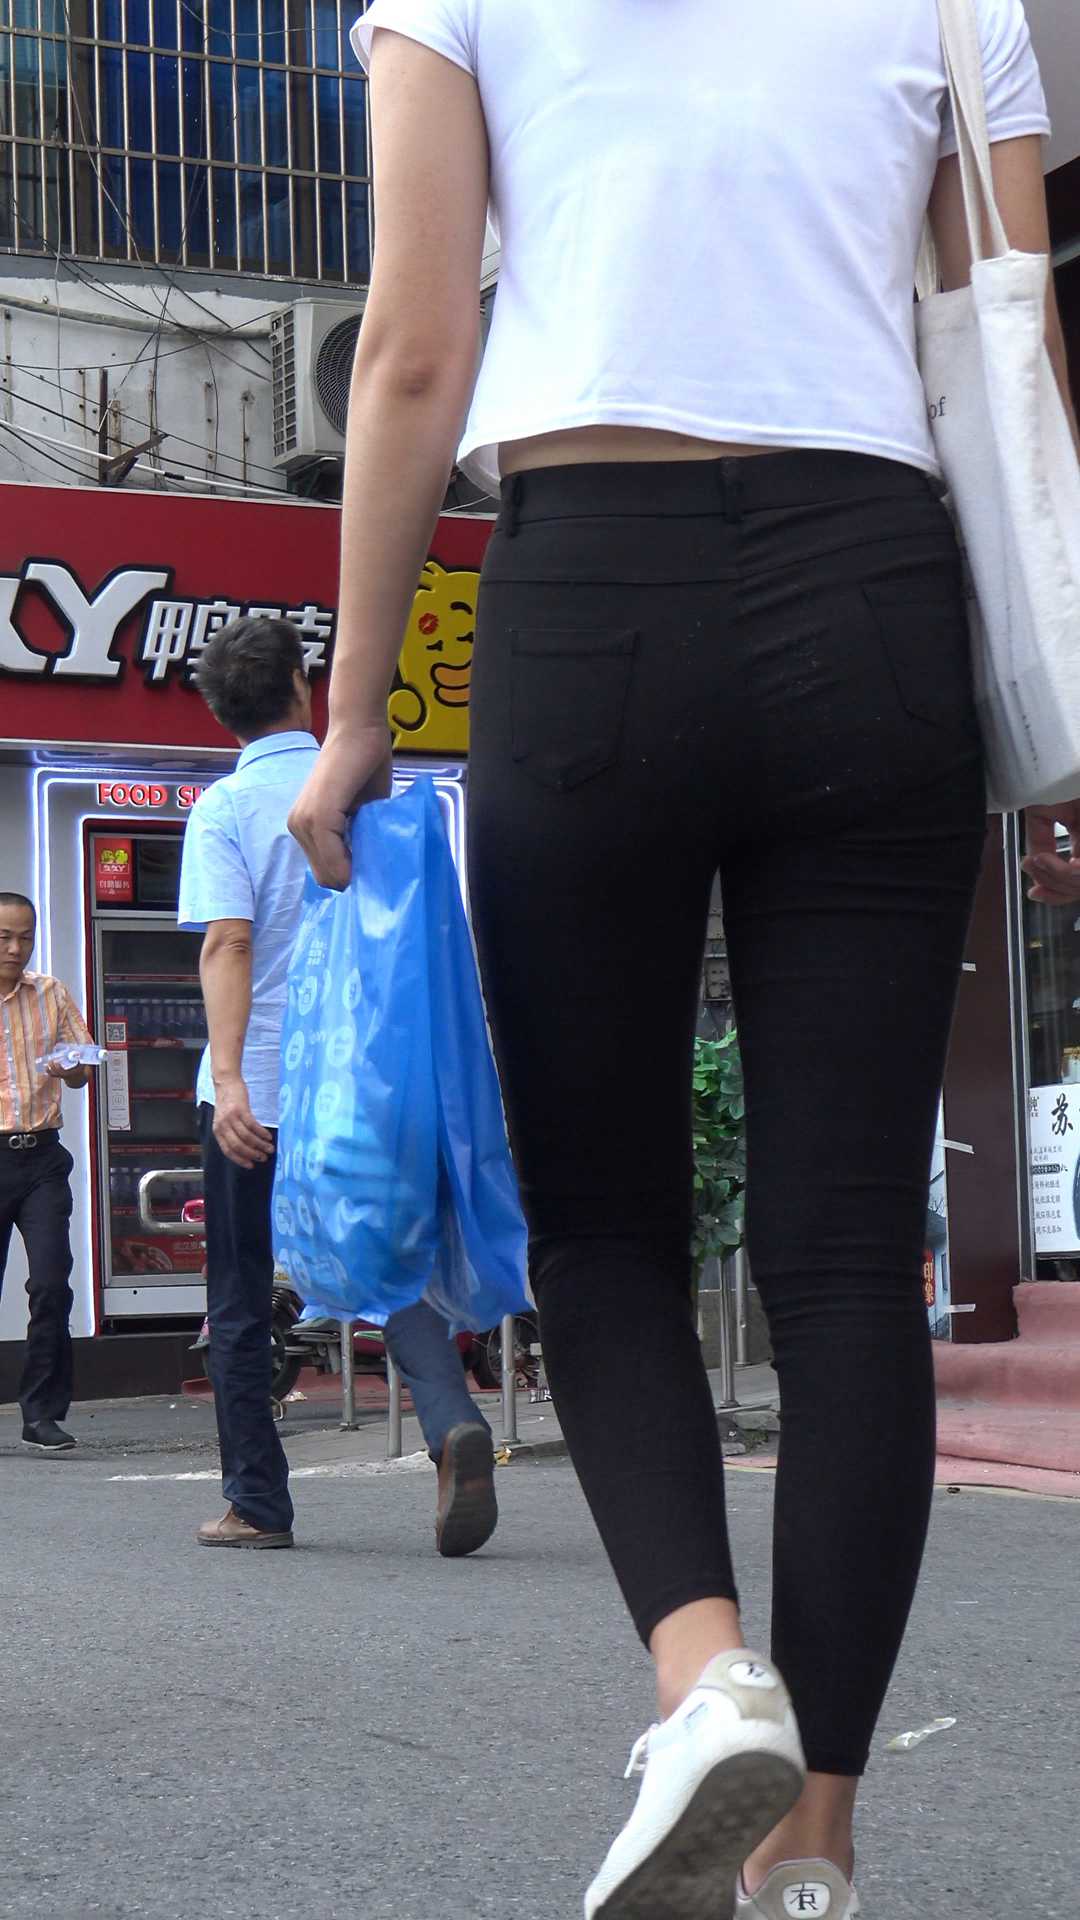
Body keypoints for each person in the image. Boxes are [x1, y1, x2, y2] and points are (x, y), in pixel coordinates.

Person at [288, 4, 1079, 1916]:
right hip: (877, 587)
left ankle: (705, 1677)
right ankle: (818, 1839)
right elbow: (1014, 340)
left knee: (607, 1229)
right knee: (843, 1255)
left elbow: (412, 350)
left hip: (592, 596)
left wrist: (356, 706)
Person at [178, 615, 497, 1554]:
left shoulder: (224, 810)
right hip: (363, 1086)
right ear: (302, 688)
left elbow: (228, 941)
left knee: (240, 1296)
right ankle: (451, 1421)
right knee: (386, 1262)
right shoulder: (362, 790)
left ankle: (257, 1504)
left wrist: (230, 1079)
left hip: (261, 1092)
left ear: (221, 713)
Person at [0, 893, 94, 1453]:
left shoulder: (50, 992)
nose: (16, 948)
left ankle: (41, 1414)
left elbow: (84, 1066)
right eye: (4, 937)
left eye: (25, 937)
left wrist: (71, 1066)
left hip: (41, 1157)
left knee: (52, 1283)